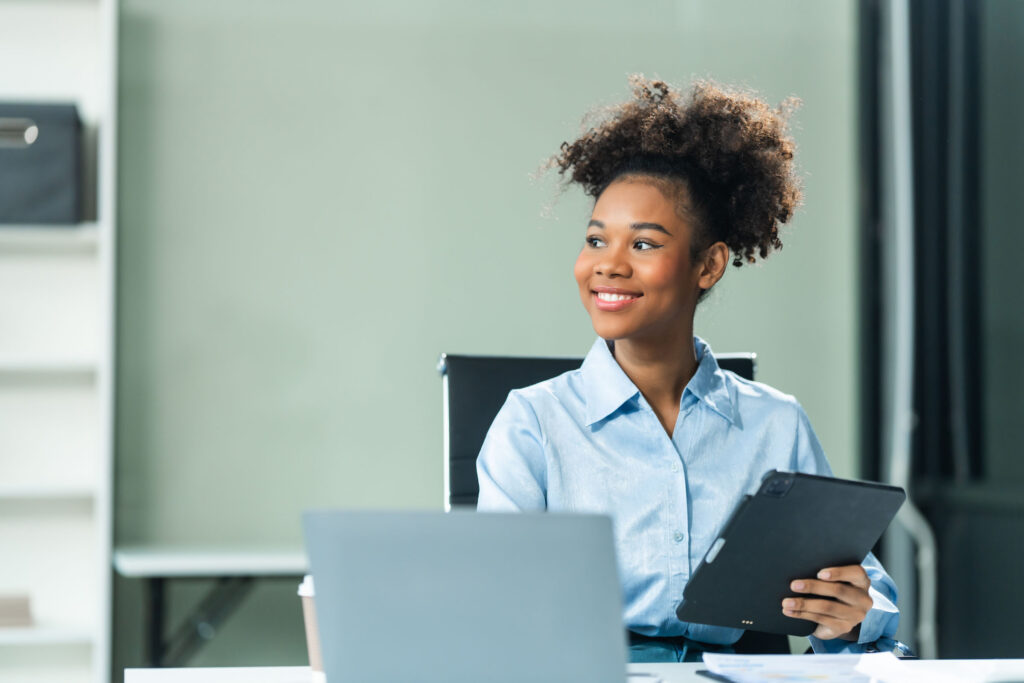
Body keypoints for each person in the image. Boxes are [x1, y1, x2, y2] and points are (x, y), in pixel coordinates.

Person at [475, 76, 899, 663]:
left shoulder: (774, 422)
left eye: (644, 245)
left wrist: (854, 614)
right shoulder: (533, 424)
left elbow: (860, 589)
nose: (609, 266)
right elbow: (494, 610)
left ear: (709, 265)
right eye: (596, 240)